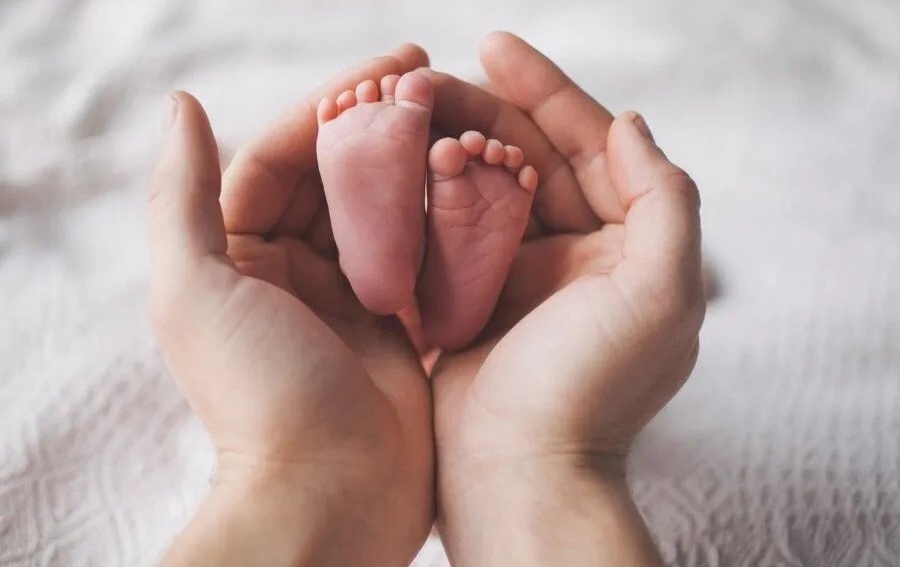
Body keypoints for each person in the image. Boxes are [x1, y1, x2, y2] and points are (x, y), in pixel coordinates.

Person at [148, 31, 705, 566]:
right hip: (503, 345)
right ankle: (449, 304)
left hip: (342, 338)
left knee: (380, 279)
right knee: (466, 288)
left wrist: (301, 465)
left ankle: (384, 274)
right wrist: (536, 458)